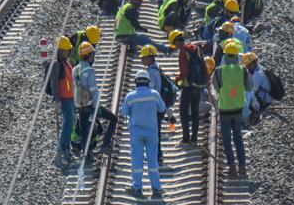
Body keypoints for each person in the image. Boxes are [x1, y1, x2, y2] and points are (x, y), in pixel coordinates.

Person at [121, 69, 166, 199]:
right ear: (147, 82)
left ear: (136, 82)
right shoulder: (154, 94)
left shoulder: (130, 96)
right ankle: (156, 188)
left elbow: (124, 112)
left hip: (136, 133)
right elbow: (162, 108)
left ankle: (137, 187)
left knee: (137, 160)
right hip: (152, 132)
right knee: (153, 161)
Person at [213, 39, 252, 176]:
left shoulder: (219, 71)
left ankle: (232, 167)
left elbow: (216, 88)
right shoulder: (243, 70)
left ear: (224, 56)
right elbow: (249, 87)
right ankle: (242, 167)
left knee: (227, 140)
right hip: (238, 109)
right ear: (236, 55)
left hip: (224, 109)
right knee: (238, 137)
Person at [72, 41, 117, 155]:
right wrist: (97, 107)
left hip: (79, 104)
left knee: (84, 130)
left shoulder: (75, 70)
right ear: (90, 56)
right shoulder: (90, 71)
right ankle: (105, 144)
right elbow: (93, 91)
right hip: (90, 105)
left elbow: (74, 88)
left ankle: (85, 152)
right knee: (113, 119)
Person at [170, 30, 208, 146]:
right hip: (198, 85)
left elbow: (185, 72)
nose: (175, 46)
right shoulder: (196, 48)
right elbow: (203, 65)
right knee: (195, 112)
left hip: (188, 87)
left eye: (174, 43)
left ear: (177, 41)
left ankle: (186, 138)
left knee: (183, 112)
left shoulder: (183, 52)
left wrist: (177, 79)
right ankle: (194, 139)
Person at [49, 35, 77, 167]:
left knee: (70, 124)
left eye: (67, 50)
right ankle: (62, 148)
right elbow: (54, 84)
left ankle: (65, 148)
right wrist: (57, 100)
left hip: (70, 98)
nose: (65, 52)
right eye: (63, 50)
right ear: (58, 50)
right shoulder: (56, 64)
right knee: (68, 124)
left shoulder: (67, 61)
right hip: (64, 99)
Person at [241, 52, 272, 121]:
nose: (247, 68)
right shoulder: (260, 69)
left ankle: (250, 116)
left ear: (252, 63)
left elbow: (251, 91)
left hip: (264, 101)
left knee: (246, 95)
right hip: (268, 96)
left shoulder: (257, 75)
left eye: (247, 66)